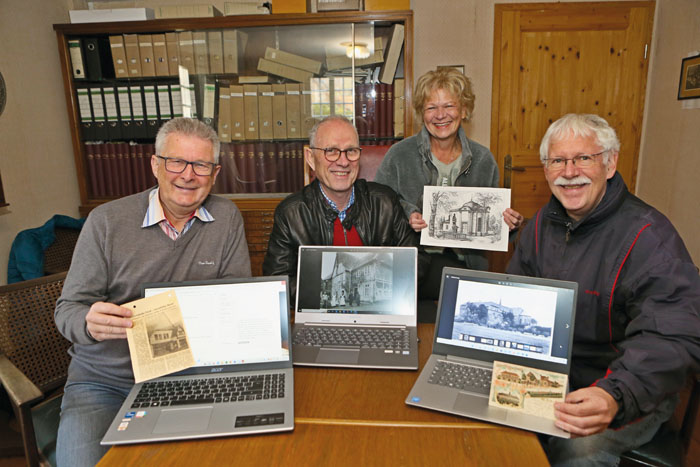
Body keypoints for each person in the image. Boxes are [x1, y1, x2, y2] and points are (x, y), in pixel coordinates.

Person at [54, 117, 251, 466]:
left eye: (201, 165)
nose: (187, 175)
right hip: (105, 382)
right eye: (176, 161)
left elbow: (235, 306)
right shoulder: (106, 221)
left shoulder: (227, 218)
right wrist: (88, 321)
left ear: (215, 174)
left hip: (190, 377)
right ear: (155, 165)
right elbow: (67, 309)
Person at [506, 113, 700, 465]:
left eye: (583, 158)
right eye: (558, 161)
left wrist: (615, 395)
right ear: (546, 169)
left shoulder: (649, 237)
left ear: (610, 164)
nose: (569, 171)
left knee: (575, 448)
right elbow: (515, 301)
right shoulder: (536, 229)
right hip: (551, 379)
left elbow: (673, 336)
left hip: (623, 388)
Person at [374, 67, 523, 299]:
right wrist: (408, 213)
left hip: (466, 263)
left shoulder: (484, 159)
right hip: (413, 260)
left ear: (464, 110)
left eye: (449, 106)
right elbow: (378, 205)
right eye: (431, 107)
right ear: (422, 113)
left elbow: (493, 221)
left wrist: (509, 224)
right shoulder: (399, 154)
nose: (440, 115)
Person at [262, 115, 422, 290]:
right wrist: (325, 297)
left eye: (351, 151)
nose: (343, 161)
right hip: (316, 315)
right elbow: (277, 283)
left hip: (379, 313)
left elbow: (415, 266)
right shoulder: (291, 213)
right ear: (310, 158)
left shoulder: (385, 202)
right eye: (331, 151)